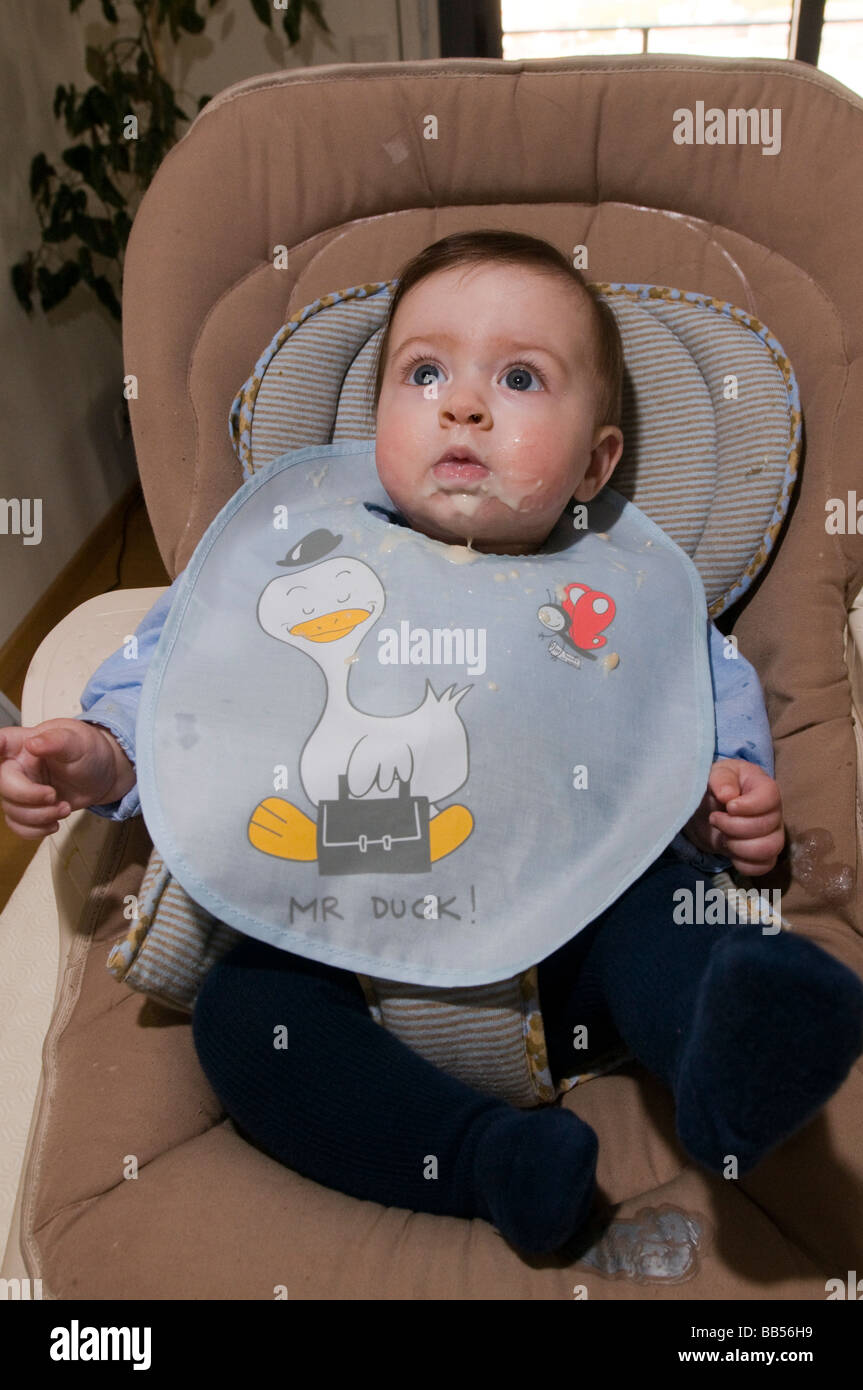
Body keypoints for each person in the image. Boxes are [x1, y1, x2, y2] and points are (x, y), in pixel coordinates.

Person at [2, 230, 862, 1256]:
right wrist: (102, 753)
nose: (463, 404)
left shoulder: (621, 587)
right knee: (245, 1020)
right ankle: (486, 1160)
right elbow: (194, 682)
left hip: (571, 936)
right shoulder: (304, 557)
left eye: (519, 376)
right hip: (329, 933)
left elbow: (693, 706)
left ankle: (725, 1048)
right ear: (374, 424)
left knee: (663, 922)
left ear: (595, 461)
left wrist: (734, 796)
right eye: (423, 372)